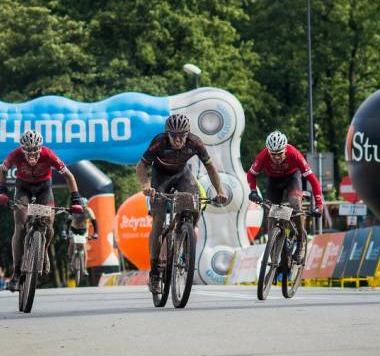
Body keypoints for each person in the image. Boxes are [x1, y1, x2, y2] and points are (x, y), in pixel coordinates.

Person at [136, 113, 229, 294]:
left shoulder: (195, 142)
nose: (178, 140)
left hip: (182, 175)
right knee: (159, 220)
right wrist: (146, 185)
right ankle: (155, 273)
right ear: (167, 134)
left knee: (193, 204)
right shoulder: (159, 142)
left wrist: (220, 191)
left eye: (181, 136)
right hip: (160, 176)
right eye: (173, 136)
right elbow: (141, 166)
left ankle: (184, 236)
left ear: (187, 134)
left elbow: (210, 167)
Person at [0, 129, 86, 290]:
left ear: (40, 149)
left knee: (49, 224)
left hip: (44, 188)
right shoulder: (15, 154)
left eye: (35, 152)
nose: (32, 156)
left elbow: (69, 176)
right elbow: (2, 170)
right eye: (28, 152)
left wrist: (76, 199)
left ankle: (42, 251)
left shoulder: (49, 155)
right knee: (20, 226)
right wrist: (2, 191)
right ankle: (16, 273)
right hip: (23, 188)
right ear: (22, 150)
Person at [246, 131, 324, 262]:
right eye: (273, 154)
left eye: (279, 154)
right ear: (268, 151)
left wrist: (319, 205)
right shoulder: (263, 156)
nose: (276, 157)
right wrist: (253, 190)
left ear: (285, 150)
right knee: (269, 210)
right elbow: (251, 174)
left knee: (295, 203)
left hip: (292, 179)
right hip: (273, 181)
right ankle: (274, 243)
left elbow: (313, 180)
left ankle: (300, 241)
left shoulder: (294, 154)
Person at [65, 201, 99, 266]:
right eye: (81, 207)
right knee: (72, 243)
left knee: (84, 247)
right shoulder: (74, 210)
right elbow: (68, 222)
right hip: (73, 229)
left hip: (84, 230)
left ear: (86, 206)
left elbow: (94, 222)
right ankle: (69, 259)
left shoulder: (88, 211)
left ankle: (84, 267)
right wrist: (65, 232)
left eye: (84, 207)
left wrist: (95, 233)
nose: (82, 209)